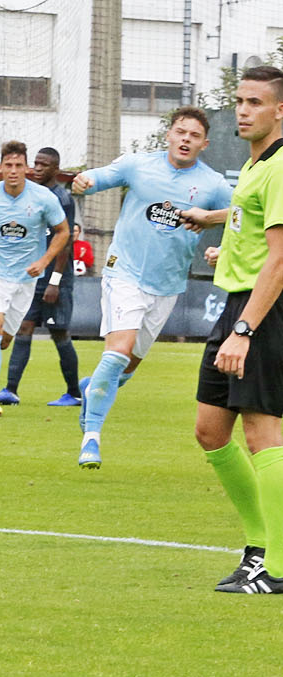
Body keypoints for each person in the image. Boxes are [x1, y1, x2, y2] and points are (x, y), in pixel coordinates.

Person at [68, 108, 233, 470]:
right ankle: (91, 438)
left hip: (168, 285)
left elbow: (243, 216)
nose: (186, 139)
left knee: (124, 370)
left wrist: (219, 240)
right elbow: (102, 176)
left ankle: (91, 388)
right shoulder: (138, 165)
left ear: (204, 144)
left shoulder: (213, 185)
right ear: (169, 135)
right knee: (118, 352)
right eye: (180, 131)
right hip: (123, 272)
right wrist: (86, 180)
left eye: (194, 135)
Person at [176, 66, 283, 594]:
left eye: (256, 102)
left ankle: (278, 566)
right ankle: (259, 549)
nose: (243, 110)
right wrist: (219, 225)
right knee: (210, 430)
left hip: (261, 313)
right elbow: (256, 226)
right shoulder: (256, 166)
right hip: (238, 305)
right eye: (239, 100)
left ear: (280, 110)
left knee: (263, 433)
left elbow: (281, 260)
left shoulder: (282, 166)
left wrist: (244, 328)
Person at [0, 140, 69, 417]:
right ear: (0, 168)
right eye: (8, 165)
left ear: (26, 168)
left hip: (25, 278)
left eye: (18, 165)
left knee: (5, 339)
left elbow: (63, 232)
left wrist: (44, 261)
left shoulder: (43, 198)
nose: (13, 170)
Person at [0, 147, 81, 408]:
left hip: (56, 277)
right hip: (32, 275)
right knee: (24, 327)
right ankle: (10, 390)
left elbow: (64, 240)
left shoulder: (63, 198)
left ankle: (74, 393)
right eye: (35, 163)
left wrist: (55, 281)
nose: (37, 169)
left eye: (43, 165)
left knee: (59, 333)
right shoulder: (33, 195)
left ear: (55, 169)